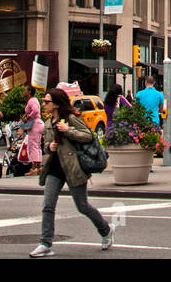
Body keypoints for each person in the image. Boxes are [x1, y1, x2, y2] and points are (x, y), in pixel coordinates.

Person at [29, 88, 113, 257]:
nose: (44, 104)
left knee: (82, 206)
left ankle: (106, 230)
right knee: (48, 205)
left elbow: (88, 136)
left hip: (73, 168)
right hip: (55, 169)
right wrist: (49, 147)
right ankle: (45, 243)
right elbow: (46, 145)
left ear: (56, 104)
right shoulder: (47, 124)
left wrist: (68, 130)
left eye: (47, 102)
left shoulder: (72, 119)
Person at [21, 86, 43, 166]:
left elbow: (35, 110)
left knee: (33, 145)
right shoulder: (34, 100)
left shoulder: (31, 101)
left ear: (29, 92)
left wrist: (28, 117)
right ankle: (38, 166)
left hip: (35, 124)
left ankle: (34, 167)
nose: (23, 92)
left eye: (25, 90)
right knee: (37, 145)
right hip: (37, 124)